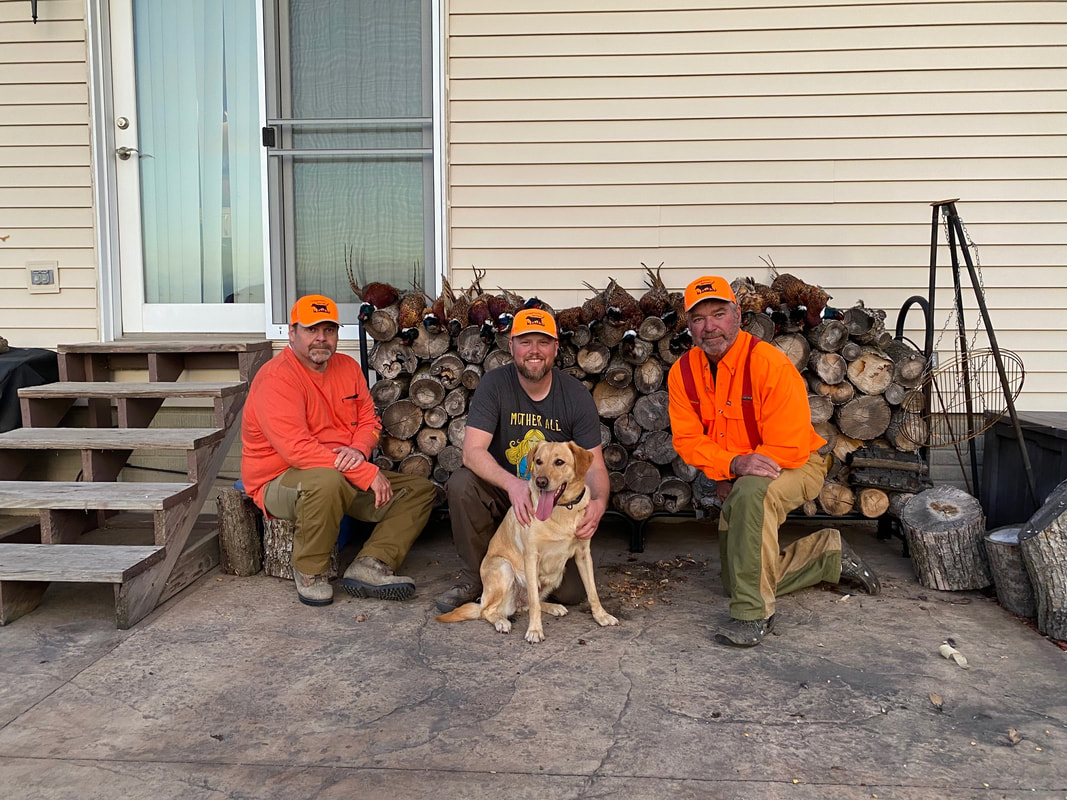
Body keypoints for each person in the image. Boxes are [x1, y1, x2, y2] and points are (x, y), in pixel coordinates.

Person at [667, 276, 880, 647]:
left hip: (798, 463)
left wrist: (738, 472)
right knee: (736, 579)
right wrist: (731, 466)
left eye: (719, 314)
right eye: (699, 319)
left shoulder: (768, 364)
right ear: (689, 326)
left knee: (752, 497)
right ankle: (827, 553)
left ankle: (752, 614)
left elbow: (788, 443)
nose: (710, 326)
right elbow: (688, 441)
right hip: (740, 470)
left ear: (737, 316)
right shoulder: (682, 373)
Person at [242, 294, 435, 607]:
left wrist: (359, 451)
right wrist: (361, 470)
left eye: (329, 330)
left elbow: (368, 420)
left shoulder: (346, 367)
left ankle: (371, 563)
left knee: (420, 489)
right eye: (311, 330)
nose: (321, 338)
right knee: (327, 482)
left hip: (342, 469)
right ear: (292, 333)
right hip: (281, 479)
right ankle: (309, 571)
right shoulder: (276, 378)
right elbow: (297, 450)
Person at [435, 308, 611, 613]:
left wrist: (599, 503)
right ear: (512, 346)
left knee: (571, 594)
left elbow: (594, 465)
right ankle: (479, 577)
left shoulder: (575, 396)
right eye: (525, 342)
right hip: (506, 492)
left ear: (556, 348)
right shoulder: (494, 385)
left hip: (552, 503)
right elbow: (472, 452)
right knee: (461, 483)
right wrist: (514, 485)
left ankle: (531, 586)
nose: (534, 351)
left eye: (543, 342)